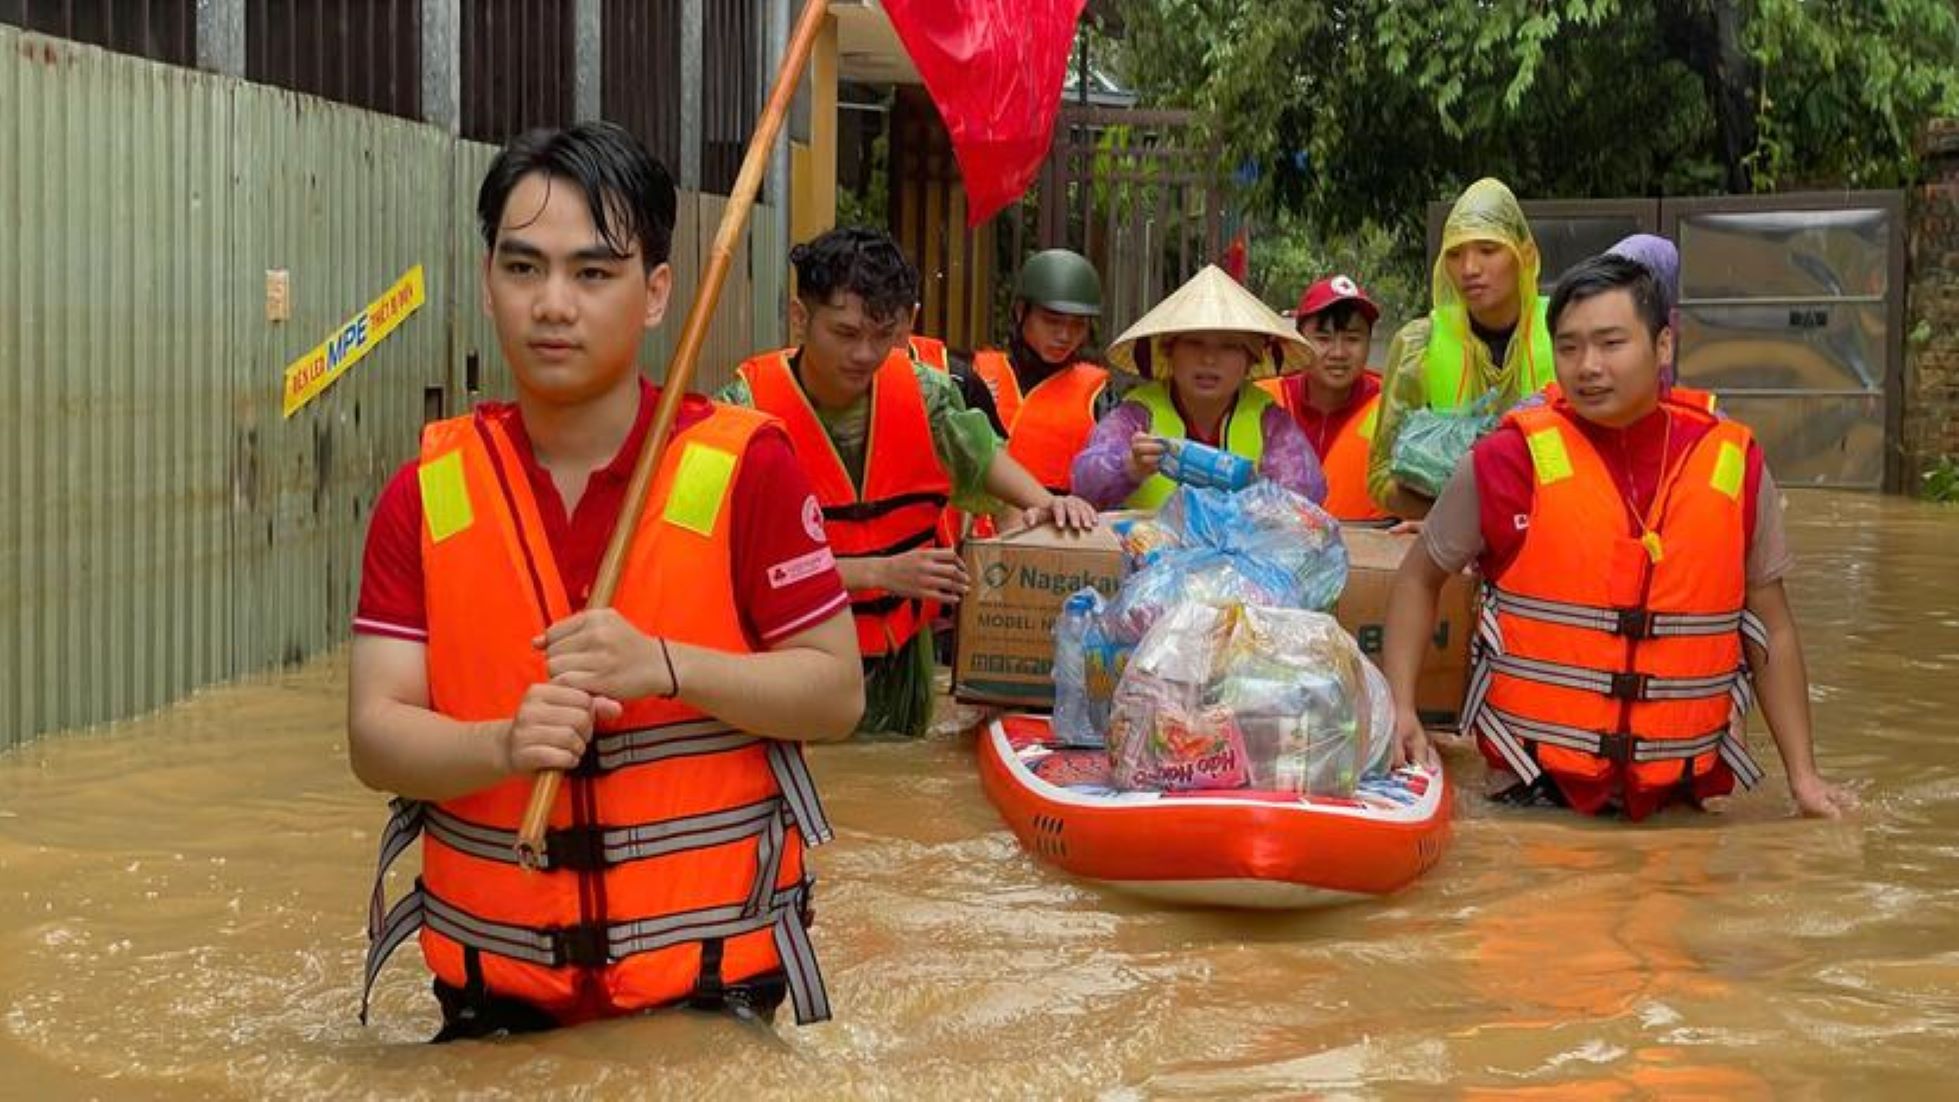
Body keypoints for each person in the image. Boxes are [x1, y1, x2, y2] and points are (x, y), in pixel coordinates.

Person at [348, 123, 865, 1038]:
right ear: (487, 281)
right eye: (524, 269)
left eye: (593, 273)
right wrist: (502, 746)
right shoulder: (425, 495)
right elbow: (375, 738)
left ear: (656, 292)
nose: (554, 304)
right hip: (493, 1009)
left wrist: (668, 664)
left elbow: (833, 696)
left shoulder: (748, 471)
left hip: (710, 1005)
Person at [1382, 254, 1854, 821]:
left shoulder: (1733, 463)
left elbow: (1771, 624)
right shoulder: (1505, 461)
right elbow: (1418, 577)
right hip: (1531, 795)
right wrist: (1400, 709)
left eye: (1611, 343)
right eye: (1570, 347)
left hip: (1681, 800)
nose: (1588, 367)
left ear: (1663, 347)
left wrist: (1804, 778)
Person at [719, 227, 1097, 739]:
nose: (865, 355)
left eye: (883, 334)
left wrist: (1050, 504)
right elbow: (727, 564)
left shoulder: (926, 393)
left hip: (902, 667)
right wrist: (879, 571)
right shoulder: (741, 412)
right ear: (800, 317)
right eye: (847, 333)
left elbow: (982, 459)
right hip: (793, 660)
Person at [1367, 178, 1557, 518]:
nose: (1469, 269)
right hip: (1455, 555)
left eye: (1488, 250)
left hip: (1554, 541)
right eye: (1454, 254)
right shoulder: (1418, 344)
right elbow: (1381, 476)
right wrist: (1453, 527)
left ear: (1524, 255)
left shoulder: (1567, 331)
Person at [1071, 265, 1326, 510]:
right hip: (1147, 550)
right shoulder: (1136, 414)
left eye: (1228, 346)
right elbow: (1085, 483)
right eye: (1194, 343)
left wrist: (1260, 495)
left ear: (1250, 360)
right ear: (1170, 352)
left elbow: (1303, 498)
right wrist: (1129, 467)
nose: (1209, 359)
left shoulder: (1269, 419)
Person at [969, 249, 1126, 494]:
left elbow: (1110, 482)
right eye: (1052, 321)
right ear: (1021, 312)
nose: (1065, 336)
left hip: (1053, 528)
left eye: (1078, 324)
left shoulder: (1103, 399)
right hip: (972, 529)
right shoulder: (971, 377)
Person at [1262, 275, 1389, 522]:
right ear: (1300, 341)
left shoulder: (1392, 408)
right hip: (1273, 544)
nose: (1338, 353)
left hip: (1370, 544)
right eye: (1323, 339)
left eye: (1353, 339)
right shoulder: (1262, 401)